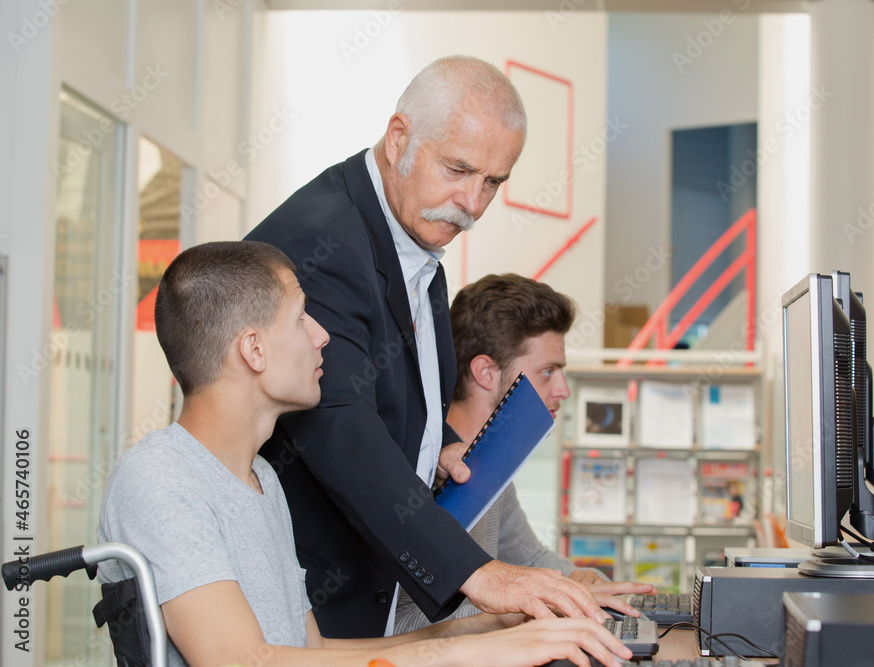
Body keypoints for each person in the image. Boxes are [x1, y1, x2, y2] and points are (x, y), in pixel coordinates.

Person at [97, 241, 632, 667]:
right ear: (254, 349)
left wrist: (489, 627)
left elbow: (313, 652)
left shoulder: (259, 476)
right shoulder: (161, 478)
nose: (323, 335)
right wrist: (468, 653)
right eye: (302, 317)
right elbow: (240, 661)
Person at [246, 55, 628, 638]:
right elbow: (336, 423)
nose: (472, 204)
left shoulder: (412, 233)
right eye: (458, 169)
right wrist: (477, 572)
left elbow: (396, 387)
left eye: (493, 182)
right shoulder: (324, 242)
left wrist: (441, 445)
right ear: (399, 137)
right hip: (307, 605)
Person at [395, 273, 656, 633]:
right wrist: (528, 608)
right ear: (486, 372)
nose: (562, 390)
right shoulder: (422, 471)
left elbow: (530, 557)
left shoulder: (493, 466)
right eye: (548, 372)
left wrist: (581, 580)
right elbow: (397, 624)